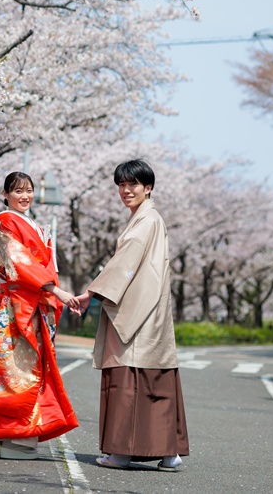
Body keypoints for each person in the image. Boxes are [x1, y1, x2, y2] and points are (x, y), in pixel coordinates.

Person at [74, 159, 190, 472]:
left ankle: (121, 453)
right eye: (122, 185)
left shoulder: (146, 221)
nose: (126, 190)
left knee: (128, 379)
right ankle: (169, 453)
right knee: (157, 382)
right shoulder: (149, 218)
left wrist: (91, 294)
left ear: (148, 187)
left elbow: (125, 262)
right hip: (152, 311)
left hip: (137, 313)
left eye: (133, 185)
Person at [0, 171, 80, 460]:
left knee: (6, 373)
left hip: (22, 307)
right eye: (18, 191)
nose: (25, 196)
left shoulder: (28, 225)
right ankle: (16, 440)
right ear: (5, 193)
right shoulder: (5, 225)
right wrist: (55, 291)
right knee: (20, 373)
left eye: (29, 190)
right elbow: (20, 264)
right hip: (19, 309)